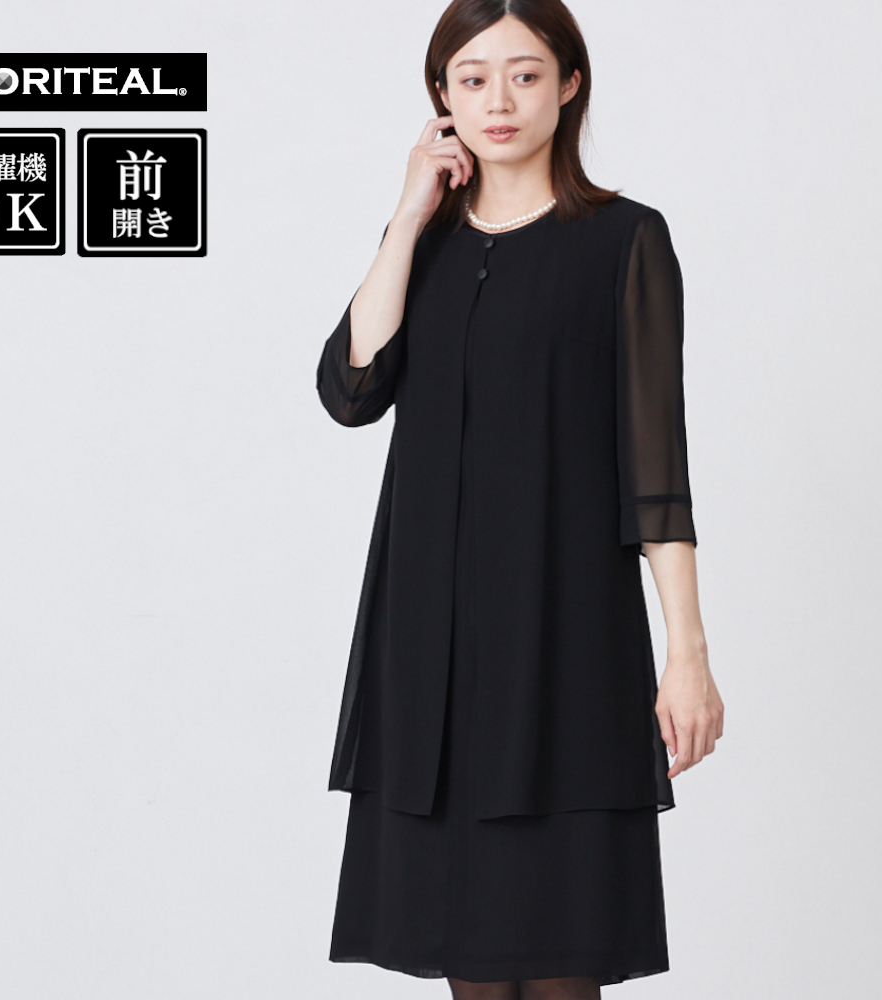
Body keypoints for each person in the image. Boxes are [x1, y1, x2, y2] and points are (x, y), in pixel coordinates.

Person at [314, 1, 724, 997]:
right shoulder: (421, 243)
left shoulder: (624, 240)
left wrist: (687, 655)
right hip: (431, 666)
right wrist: (409, 213)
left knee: (560, 959)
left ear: (569, 84)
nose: (498, 99)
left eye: (525, 74)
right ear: (442, 97)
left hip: (565, 649)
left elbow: (655, 468)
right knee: (468, 961)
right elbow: (352, 389)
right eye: (471, 78)